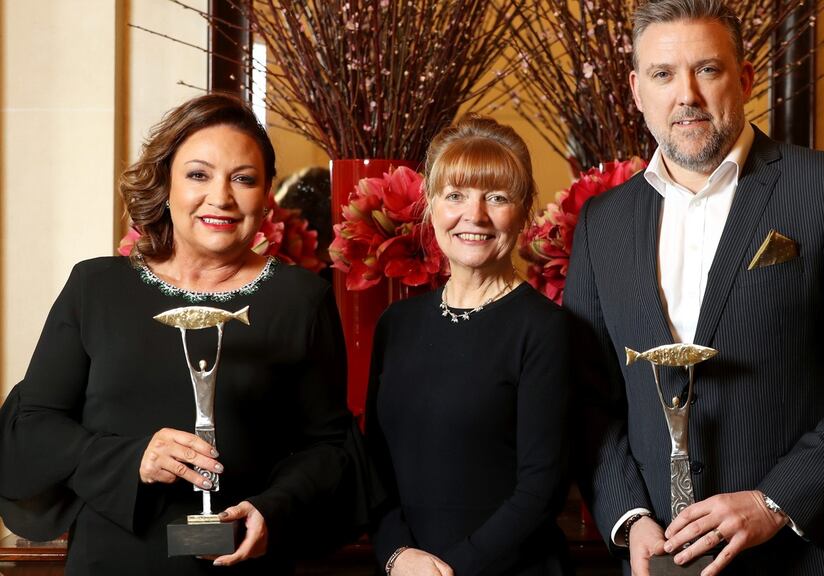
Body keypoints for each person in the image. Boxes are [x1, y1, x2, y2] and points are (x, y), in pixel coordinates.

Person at [563, 1, 824, 575]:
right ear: (637, 90)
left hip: (815, 558)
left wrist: (773, 501)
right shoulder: (602, 222)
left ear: (746, 78)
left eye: (707, 69)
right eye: (663, 75)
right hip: (662, 562)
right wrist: (629, 516)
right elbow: (586, 395)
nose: (686, 94)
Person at [0, 93, 375, 575]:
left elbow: (330, 449)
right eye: (198, 174)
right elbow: (31, 427)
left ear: (265, 196)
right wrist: (134, 456)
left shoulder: (300, 299)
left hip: (240, 559)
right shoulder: (96, 287)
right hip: (112, 561)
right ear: (166, 183)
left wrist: (273, 509)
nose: (220, 197)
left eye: (243, 178)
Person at [366, 116, 573, 576]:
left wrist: (451, 570)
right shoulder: (395, 324)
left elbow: (542, 486)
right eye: (455, 195)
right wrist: (397, 554)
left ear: (523, 212)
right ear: (431, 206)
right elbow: (373, 466)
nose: (474, 216)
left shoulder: (545, 329)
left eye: (496, 198)